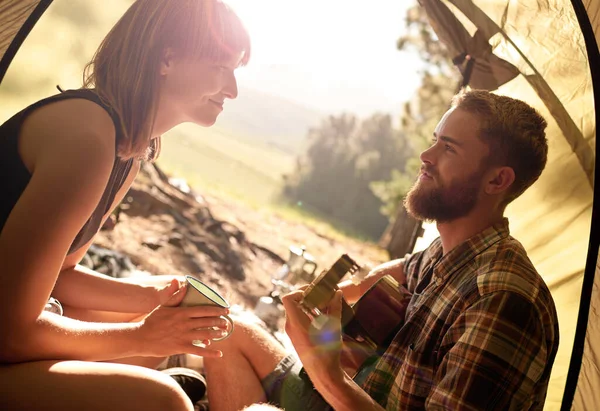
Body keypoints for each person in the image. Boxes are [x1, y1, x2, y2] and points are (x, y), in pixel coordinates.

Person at [203, 90, 560, 410]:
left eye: (448, 148)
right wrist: (350, 290)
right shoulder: (450, 252)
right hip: (348, 396)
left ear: (497, 180)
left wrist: (326, 372)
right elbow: (407, 267)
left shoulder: (503, 302)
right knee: (229, 332)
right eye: (434, 140)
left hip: (342, 395)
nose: (426, 155)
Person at [0, 1, 250, 410]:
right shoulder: (87, 140)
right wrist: (142, 334)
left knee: (153, 348)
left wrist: (155, 296)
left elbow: (60, 275)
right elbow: (8, 332)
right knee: (163, 399)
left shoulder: (127, 153)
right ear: (167, 58)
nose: (233, 90)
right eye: (222, 67)